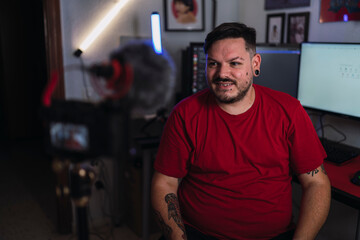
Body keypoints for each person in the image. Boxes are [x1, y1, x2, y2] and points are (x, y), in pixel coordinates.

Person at [151, 22, 331, 240]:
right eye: (213, 64)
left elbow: (316, 183)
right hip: (199, 234)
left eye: (234, 63)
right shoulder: (185, 114)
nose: (222, 73)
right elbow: (165, 183)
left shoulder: (289, 111)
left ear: (255, 63)